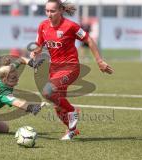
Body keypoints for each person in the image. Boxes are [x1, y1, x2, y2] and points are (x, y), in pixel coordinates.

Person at [30, 0, 114, 140]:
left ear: (61, 10)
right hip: (54, 69)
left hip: (71, 67)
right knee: (57, 106)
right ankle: (72, 130)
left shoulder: (71, 26)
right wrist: (35, 53)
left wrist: (99, 61)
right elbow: (39, 45)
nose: (49, 14)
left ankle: (72, 110)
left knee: (47, 91)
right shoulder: (43, 26)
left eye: (52, 11)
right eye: (47, 11)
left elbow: (89, 40)